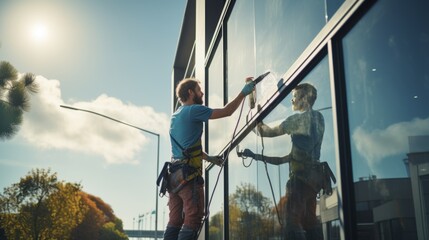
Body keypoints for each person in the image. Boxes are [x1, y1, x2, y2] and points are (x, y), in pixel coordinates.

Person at [163, 77, 255, 240]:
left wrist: (210, 159)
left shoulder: (175, 116)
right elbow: (227, 111)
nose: (202, 92)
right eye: (199, 90)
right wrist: (244, 92)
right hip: (188, 177)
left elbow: (188, 149)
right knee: (193, 217)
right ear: (191, 92)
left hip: (174, 177)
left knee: (175, 221)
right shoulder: (193, 110)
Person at [241, 83, 325, 240]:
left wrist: (254, 117)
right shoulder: (319, 119)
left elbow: (264, 132)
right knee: (310, 223)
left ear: (304, 99)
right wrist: (255, 156)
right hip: (313, 183)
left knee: (291, 224)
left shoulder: (298, 120)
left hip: (299, 183)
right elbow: (283, 160)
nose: (292, 101)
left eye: (294, 97)